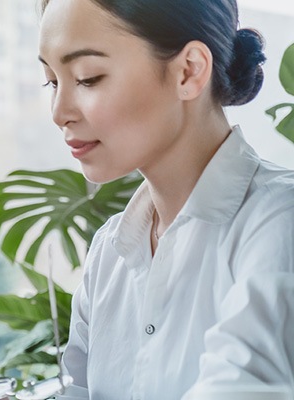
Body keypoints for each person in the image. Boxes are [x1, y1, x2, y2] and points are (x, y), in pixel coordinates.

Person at [35, 0, 294, 398]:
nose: (59, 112)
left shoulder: (279, 221)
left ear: (189, 70)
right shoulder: (109, 252)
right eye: (52, 81)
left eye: (87, 78)